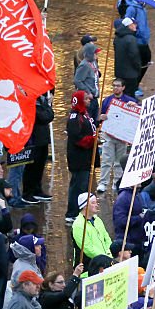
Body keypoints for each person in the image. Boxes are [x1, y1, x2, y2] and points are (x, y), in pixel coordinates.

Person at [97, 79, 137, 193]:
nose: (116, 88)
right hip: (108, 135)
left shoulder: (130, 101)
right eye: (114, 86)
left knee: (119, 161)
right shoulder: (107, 101)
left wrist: (135, 106)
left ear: (123, 87)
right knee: (106, 159)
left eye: (118, 86)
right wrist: (101, 117)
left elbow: (138, 114)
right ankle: (103, 183)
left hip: (122, 136)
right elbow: (99, 116)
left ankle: (117, 182)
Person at [65, 91, 97, 223]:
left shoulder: (83, 114)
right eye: (86, 99)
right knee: (78, 186)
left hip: (85, 157)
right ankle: (73, 212)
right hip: (79, 158)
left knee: (82, 185)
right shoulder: (75, 117)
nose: (89, 100)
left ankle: (80, 211)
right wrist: (93, 139)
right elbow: (77, 138)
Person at [114, 17, 143, 98]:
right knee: (130, 95)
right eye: (133, 24)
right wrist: (138, 68)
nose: (135, 26)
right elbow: (134, 56)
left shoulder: (117, 38)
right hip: (131, 74)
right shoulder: (131, 39)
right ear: (129, 26)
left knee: (120, 95)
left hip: (119, 72)